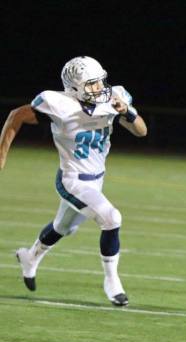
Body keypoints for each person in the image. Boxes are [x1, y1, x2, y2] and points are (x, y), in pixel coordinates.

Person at [0, 56, 147, 306]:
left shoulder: (115, 97)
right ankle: (112, 282)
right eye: (92, 84)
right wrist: (1, 155)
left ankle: (30, 257)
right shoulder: (59, 104)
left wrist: (128, 112)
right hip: (72, 180)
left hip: (96, 179)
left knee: (63, 227)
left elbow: (142, 131)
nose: (99, 88)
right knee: (112, 218)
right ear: (74, 88)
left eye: (100, 81)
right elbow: (17, 115)